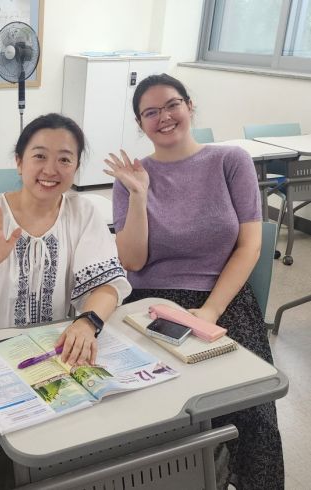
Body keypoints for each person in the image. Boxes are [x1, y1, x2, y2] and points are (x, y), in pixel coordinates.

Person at [0, 113, 132, 489]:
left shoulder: (83, 212)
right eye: (39, 156)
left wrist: (87, 322)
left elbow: (108, 287)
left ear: (75, 167)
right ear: (19, 161)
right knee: (10, 444)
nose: (51, 169)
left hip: (50, 352)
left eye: (65, 159)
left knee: (102, 427)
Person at [105, 73, 283, 490]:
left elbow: (249, 247)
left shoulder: (229, 161)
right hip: (149, 304)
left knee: (250, 409)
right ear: (140, 123)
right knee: (155, 410)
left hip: (219, 300)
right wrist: (139, 196)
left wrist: (209, 311)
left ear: (189, 107)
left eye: (172, 105)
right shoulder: (131, 176)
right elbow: (133, 260)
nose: (164, 117)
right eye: (151, 112)